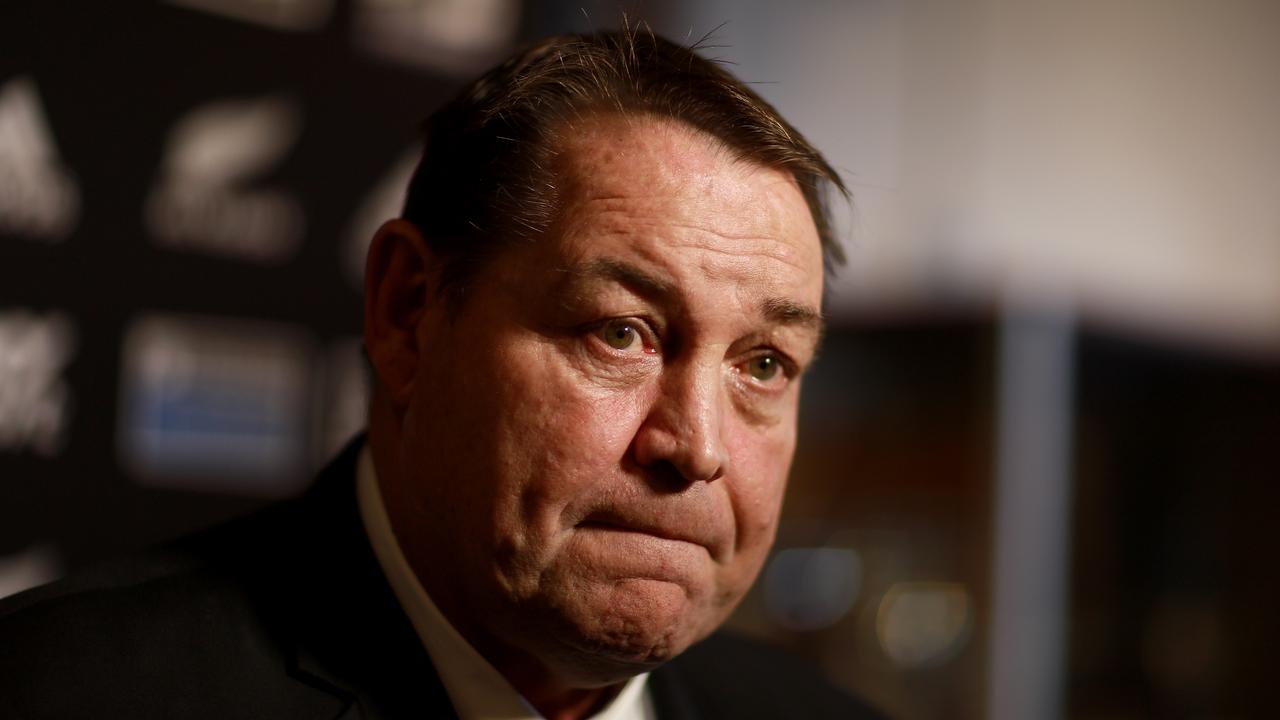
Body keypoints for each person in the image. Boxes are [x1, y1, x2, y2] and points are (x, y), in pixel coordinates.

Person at [0, 28, 882, 719]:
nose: (695, 447)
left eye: (764, 363)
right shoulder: (60, 694)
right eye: (622, 333)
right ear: (408, 312)